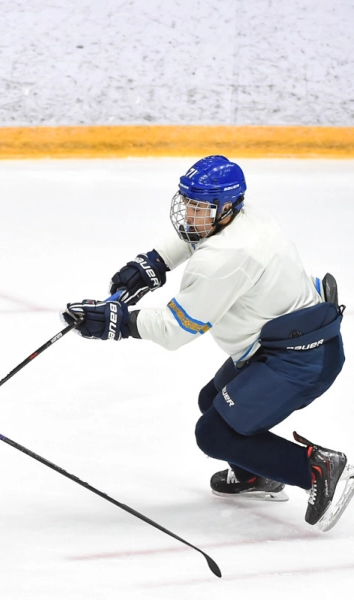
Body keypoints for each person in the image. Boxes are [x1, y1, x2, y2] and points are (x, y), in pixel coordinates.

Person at [62, 156, 354, 531]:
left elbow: (176, 329)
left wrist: (118, 322)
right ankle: (257, 474)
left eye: (199, 207)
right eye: (188, 202)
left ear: (227, 207)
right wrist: (155, 262)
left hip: (301, 361)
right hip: (284, 344)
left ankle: (318, 470)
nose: (188, 213)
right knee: (211, 400)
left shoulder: (227, 257)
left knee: (214, 434)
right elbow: (197, 235)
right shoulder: (244, 219)